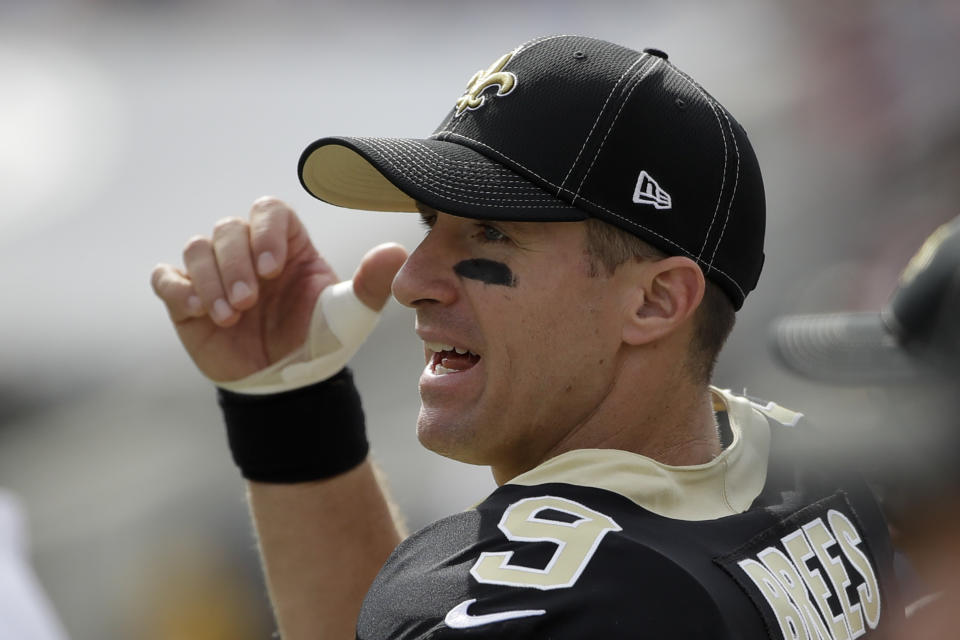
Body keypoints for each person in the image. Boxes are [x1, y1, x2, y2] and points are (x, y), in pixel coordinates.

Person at [151, 36, 903, 639]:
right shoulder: (838, 480)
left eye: (489, 234)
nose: (413, 280)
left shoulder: (543, 598)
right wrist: (291, 407)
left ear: (655, 300)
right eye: (428, 226)